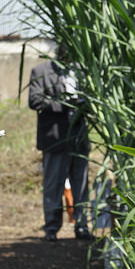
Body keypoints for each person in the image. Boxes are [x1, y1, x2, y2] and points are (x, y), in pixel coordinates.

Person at [28, 49, 93, 242]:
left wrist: (83, 104)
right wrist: (62, 103)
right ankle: (52, 228)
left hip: (78, 138)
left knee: (81, 185)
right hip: (55, 138)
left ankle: (82, 226)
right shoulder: (41, 71)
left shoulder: (82, 71)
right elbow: (34, 99)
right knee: (53, 186)